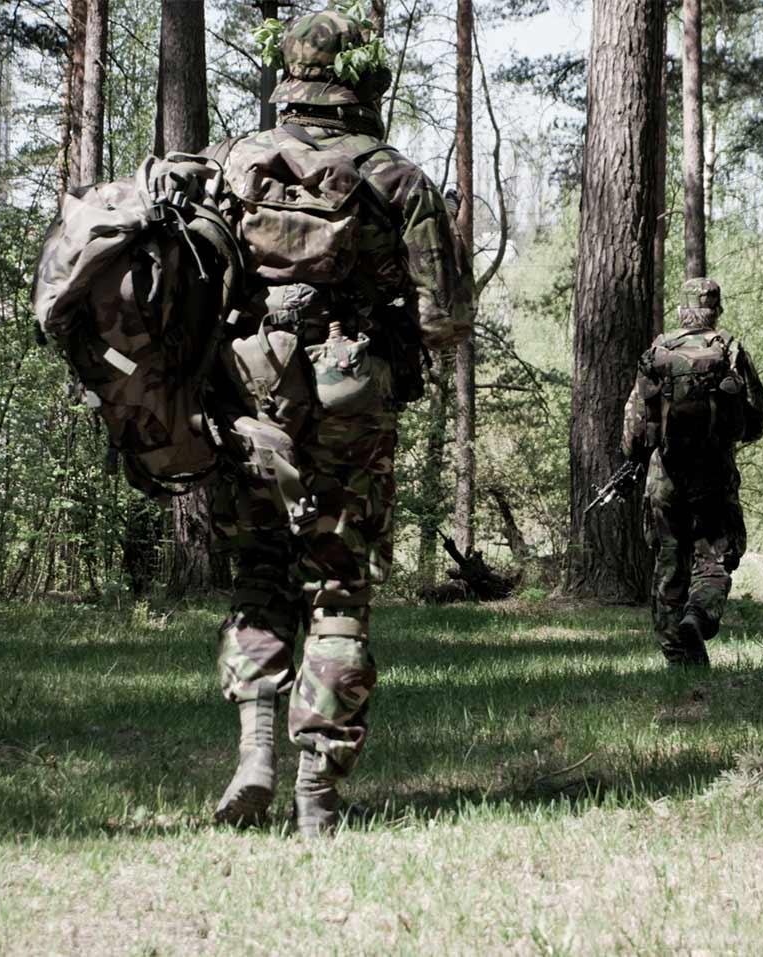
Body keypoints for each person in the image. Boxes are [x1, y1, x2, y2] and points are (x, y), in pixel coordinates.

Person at [201, 9, 474, 836]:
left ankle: (253, 756)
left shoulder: (231, 164)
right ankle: (317, 791)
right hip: (352, 392)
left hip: (251, 389)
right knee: (337, 583)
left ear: (289, 72)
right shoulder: (396, 178)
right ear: (361, 81)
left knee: (258, 571)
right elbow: (447, 319)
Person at [621, 279, 763, 667]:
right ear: (715, 310)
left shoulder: (657, 353)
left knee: (669, 565)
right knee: (715, 560)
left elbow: (635, 430)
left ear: (682, 311)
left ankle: (678, 658)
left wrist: (638, 453)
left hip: (665, 478)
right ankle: (698, 615)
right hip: (714, 476)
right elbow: (756, 418)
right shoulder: (729, 350)